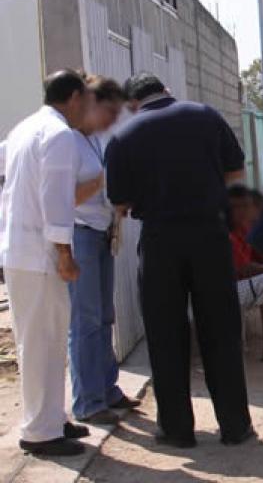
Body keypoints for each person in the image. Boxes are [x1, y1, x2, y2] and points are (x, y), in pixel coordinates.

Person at [106, 72, 253, 448]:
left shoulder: (124, 135)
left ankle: (177, 430)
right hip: (211, 236)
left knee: (165, 334)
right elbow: (236, 171)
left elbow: (118, 202)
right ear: (167, 91)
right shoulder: (207, 116)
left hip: (160, 242)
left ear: (133, 104)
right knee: (220, 330)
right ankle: (235, 426)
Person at [0, 70, 91, 456]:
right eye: (84, 100)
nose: (87, 108)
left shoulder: (24, 128)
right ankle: (39, 431)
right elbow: (56, 200)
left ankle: (53, 418)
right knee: (42, 342)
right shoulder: (58, 136)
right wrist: (65, 254)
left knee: (47, 339)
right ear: (72, 98)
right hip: (39, 255)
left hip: (21, 249)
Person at [68, 74, 140, 427]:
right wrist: (101, 183)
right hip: (79, 234)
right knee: (86, 320)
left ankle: (106, 388)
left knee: (104, 317)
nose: (113, 119)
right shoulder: (65, 140)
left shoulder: (94, 140)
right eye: (108, 111)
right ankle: (88, 401)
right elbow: (63, 196)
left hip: (100, 232)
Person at [227, 185, 263, 362]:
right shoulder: (224, 232)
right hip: (222, 290)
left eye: (246, 205)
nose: (244, 211)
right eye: (239, 207)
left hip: (239, 285)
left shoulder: (242, 229)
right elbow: (245, 269)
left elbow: (260, 257)